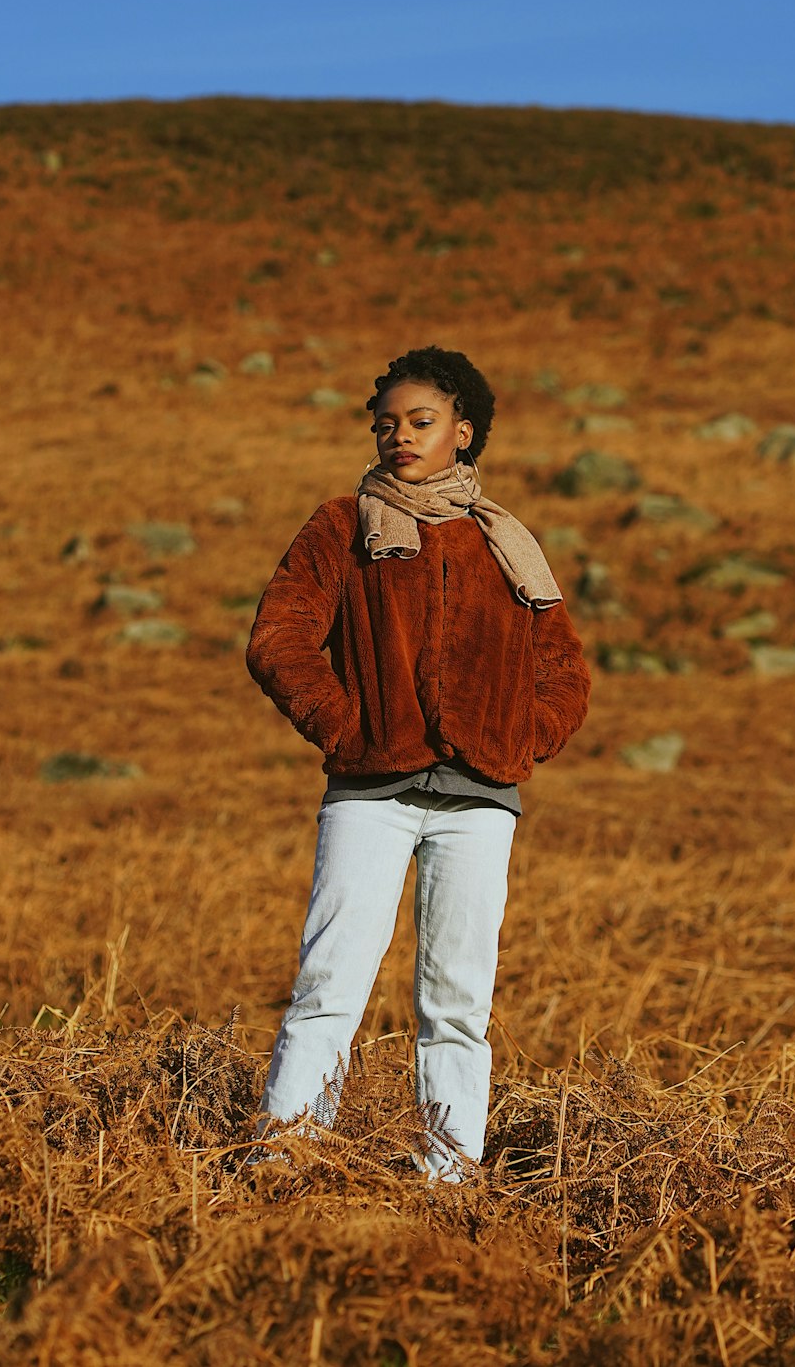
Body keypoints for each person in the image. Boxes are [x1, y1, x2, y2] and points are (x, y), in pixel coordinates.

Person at [246, 346, 591, 1180]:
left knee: (458, 1005)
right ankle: (286, 1160)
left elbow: (565, 669)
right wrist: (346, 728)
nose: (400, 435)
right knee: (328, 988)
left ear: (463, 434)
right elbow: (278, 641)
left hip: (481, 801)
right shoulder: (341, 526)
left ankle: (449, 1181)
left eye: (421, 421)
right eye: (387, 423)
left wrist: (518, 737)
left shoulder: (507, 542)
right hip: (370, 791)